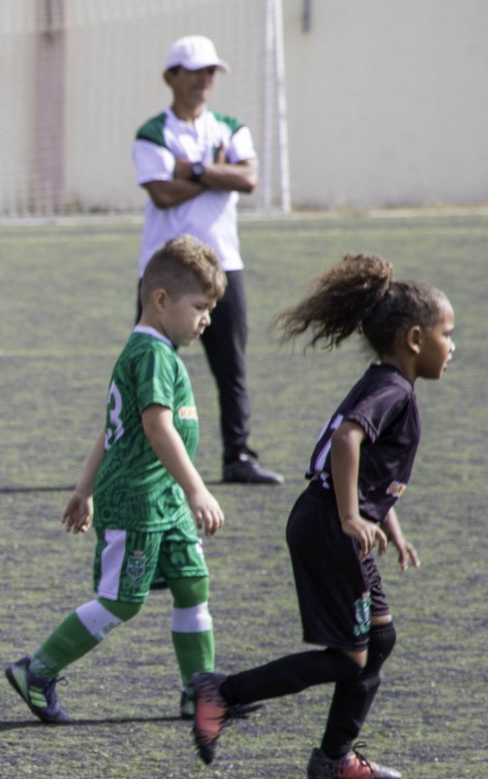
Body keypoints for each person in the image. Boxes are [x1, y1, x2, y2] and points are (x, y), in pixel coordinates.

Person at [191, 255, 453, 779]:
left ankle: (335, 755)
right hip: (331, 525)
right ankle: (225, 693)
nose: (453, 346)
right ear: (415, 339)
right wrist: (352, 516)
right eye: (448, 334)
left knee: (376, 643)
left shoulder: (386, 382)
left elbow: (373, 469)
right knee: (349, 658)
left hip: (328, 521)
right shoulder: (393, 390)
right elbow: (347, 439)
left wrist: (389, 526)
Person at [7, 235, 244, 724]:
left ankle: (199, 692)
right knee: (121, 601)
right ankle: (37, 669)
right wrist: (197, 488)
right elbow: (156, 428)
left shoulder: (156, 351)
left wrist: (83, 488)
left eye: (211, 309)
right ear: (160, 300)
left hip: (164, 498)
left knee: (192, 584)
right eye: (200, 307)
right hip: (137, 501)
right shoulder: (152, 355)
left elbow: (111, 431)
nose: (207, 319)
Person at [134, 34, 281, 486]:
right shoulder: (152, 133)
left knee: (231, 364)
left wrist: (193, 169)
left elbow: (249, 179)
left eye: (210, 72)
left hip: (224, 265)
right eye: (195, 71)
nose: (204, 80)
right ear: (170, 77)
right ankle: (138, 452)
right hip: (166, 270)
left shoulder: (231, 127)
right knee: (150, 361)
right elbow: (162, 194)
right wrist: (218, 174)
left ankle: (238, 455)